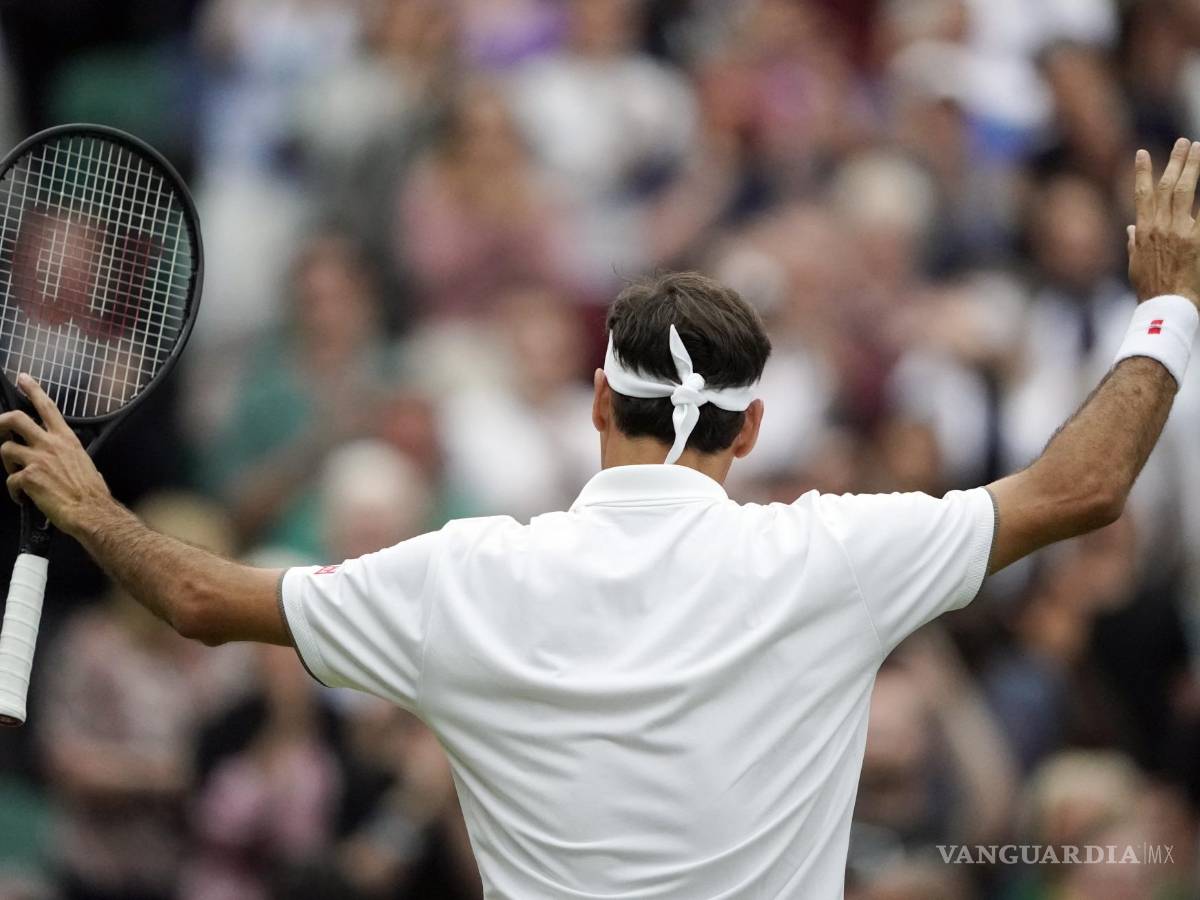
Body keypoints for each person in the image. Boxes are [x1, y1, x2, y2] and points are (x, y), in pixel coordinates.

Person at [2, 140, 1199, 897]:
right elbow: (1081, 489)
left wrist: (92, 509)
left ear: (596, 403)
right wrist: (1165, 313)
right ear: (753, 428)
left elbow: (201, 600)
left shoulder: (464, 575)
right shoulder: (833, 554)